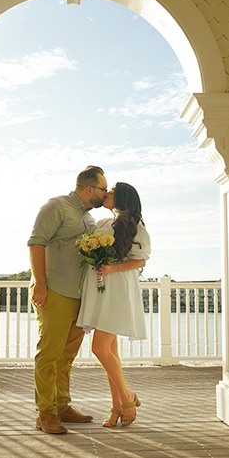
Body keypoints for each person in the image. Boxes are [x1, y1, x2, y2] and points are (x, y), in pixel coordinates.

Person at [28, 165, 107, 434]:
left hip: (79, 295)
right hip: (55, 292)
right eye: (103, 189)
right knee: (49, 354)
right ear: (89, 189)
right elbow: (36, 242)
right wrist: (40, 283)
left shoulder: (88, 217)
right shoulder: (56, 207)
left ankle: (62, 406)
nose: (105, 194)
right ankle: (45, 413)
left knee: (67, 356)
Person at [77, 182, 151, 428]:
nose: (106, 194)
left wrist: (111, 268)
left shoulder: (133, 225)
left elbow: (140, 260)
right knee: (112, 353)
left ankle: (127, 397)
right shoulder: (103, 223)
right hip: (101, 290)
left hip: (117, 290)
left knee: (99, 348)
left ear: (122, 198)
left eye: (111, 192)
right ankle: (117, 405)